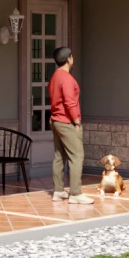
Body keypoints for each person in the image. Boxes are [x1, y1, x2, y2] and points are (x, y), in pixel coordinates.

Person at [48, 46, 93, 204]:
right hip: (67, 121)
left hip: (55, 120)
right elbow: (69, 101)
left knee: (59, 156)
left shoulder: (55, 76)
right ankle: (75, 193)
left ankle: (58, 191)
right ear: (69, 59)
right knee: (77, 156)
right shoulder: (66, 78)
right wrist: (76, 121)